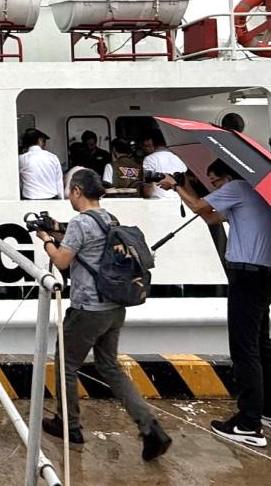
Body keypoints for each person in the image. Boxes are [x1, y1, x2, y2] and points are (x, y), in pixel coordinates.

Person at [34, 169, 172, 460]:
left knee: (66, 365)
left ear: (77, 192)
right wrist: (58, 228)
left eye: (70, 190)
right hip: (114, 306)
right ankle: (150, 428)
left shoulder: (81, 224)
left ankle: (68, 425)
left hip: (88, 309)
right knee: (109, 367)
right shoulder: (109, 218)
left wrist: (46, 238)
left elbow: (61, 262)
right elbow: (88, 242)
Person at [161, 159, 271, 447]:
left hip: (246, 277)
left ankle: (248, 424)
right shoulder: (258, 195)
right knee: (262, 346)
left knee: (245, 352)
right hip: (263, 276)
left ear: (228, 176)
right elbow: (210, 218)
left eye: (216, 182)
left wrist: (177, 186)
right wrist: (187, 186)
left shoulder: (240, 188)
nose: (216, 187)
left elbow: (197, 207)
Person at [140, 130, 186, 199]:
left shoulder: (149, 159)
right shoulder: (179, 158)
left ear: (153, 142)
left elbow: (148, 187)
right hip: (178, 198)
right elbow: (185, 182)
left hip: (158, 200)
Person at [19, 129, 63, 199]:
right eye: (44, 141)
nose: (45, 145)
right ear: (39, 141)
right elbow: (59, 183)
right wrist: (61, 200)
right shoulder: (53, 157)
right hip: (52, 200)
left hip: (29, 202)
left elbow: (20, 183)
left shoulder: (21, 159)